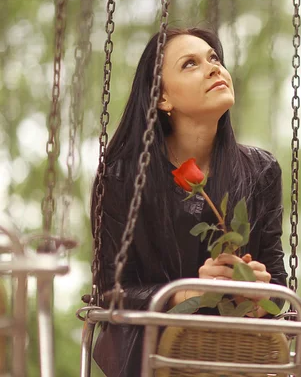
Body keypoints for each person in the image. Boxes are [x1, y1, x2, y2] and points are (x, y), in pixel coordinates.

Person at [90, 27, 288, 376]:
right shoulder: (122, 177)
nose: (214, 68)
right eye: (190, 64)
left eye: (214, 58)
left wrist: (260, 295)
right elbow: (112, 291)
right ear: (162, 98)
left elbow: (281, 288)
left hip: (235, 357)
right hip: (148, 360)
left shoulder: (261, 171)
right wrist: (187, 294)